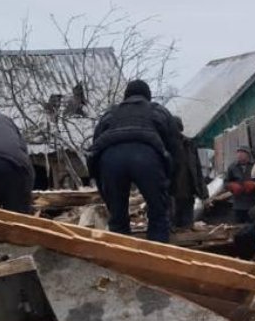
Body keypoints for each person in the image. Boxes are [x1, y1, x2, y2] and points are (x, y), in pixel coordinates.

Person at [89, 80, 183, 243]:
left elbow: (95, 147)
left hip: (110, 159)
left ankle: (120, 253)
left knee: (117, 217)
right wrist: (170, 183)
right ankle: (157, 253)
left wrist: (100, 180)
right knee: (158, 214)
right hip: (147, 157)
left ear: (126, 96)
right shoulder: (157, 110)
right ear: (148, 96)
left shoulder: (111, 113)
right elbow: (175, 147)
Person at [170, 115, 208, 230]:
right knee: (172, 227)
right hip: (171, 194)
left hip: (188, 192)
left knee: (187, 226)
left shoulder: (189, 145)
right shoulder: (165, 145)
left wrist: (203, 192)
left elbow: (197, 169)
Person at [218, 147, 255, 225]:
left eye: (242, 153)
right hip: (238, 204)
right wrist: (231, 186)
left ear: (248, 154)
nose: (239, 155)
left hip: (253, 203)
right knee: (238, 226)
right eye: (238, 153)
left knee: (253, 225)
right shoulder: (232, 167)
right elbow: (225, 183)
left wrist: (254, 184)